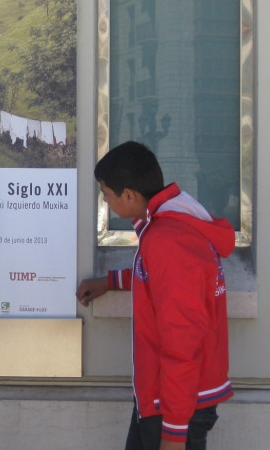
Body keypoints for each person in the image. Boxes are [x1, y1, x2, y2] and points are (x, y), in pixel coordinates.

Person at [76, 142, 234, 450]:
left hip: (174, 406)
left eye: (107, 194)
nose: (106, 201)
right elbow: (160, 283)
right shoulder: (173, 225)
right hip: (168, 399)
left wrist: (174, 434)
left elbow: (182, 340)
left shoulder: (167, 241)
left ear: (130, 195)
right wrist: (110, 281)